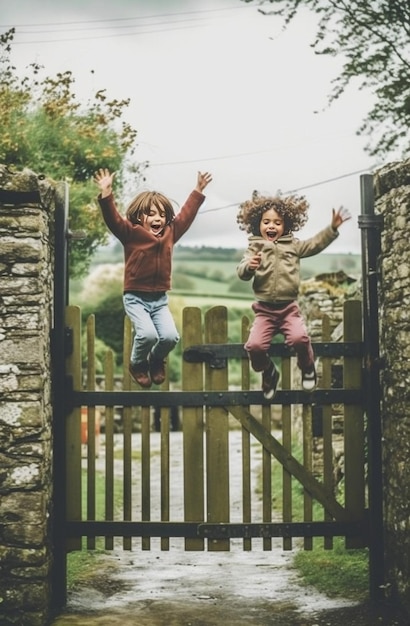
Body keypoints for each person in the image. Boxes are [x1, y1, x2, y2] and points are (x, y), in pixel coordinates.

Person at [94, 168, 212, 388]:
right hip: (135, 298)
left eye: (162, 215)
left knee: (170, 337)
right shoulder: (130, 233)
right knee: (147, 335)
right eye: (151, 214)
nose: (157, 218)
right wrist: (106, 192)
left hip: (159, 300)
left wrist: (198, 190)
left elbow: (186, 214)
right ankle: (137, 364)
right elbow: (112, 219)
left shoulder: (171, 233)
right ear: (140, 217)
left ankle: (156, 360)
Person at [236, 191, 351, 399]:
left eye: (277, 223)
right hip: (264, 311)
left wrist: (332, 229)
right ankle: (269, 371)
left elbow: (315, 244)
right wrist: (249, 267)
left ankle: (307, 368)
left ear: (286, 225)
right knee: (254, 346)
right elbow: (242, 271)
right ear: (258, 224)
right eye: (267, 222)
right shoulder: (254, 247)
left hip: (289, 309)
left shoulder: (294, 246)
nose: (271, 226)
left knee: (300, 338)